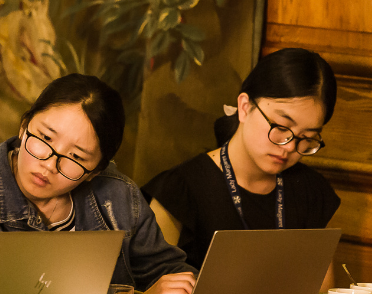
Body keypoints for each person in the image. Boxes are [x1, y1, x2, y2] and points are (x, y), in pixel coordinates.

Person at [0, 74, 197, 294]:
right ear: (23, 126)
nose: (50, 164)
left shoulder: (118, 195)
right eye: (45, 137)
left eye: (76, 157)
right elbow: (5, 284)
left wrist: (186, 288)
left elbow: (168, 272)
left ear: (95, 171)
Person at [143, 48, 340, 271]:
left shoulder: (311, 192)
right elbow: (151, 292)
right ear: (245, 107)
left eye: (306, 138)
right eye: (281, 127)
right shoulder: (180, 189)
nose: (289, 147)